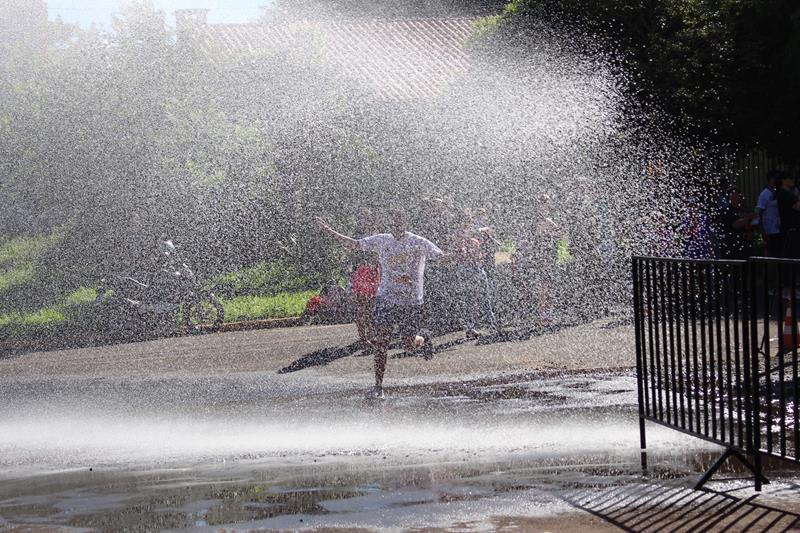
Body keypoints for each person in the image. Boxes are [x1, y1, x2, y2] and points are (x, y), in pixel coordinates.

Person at [316, 210, 444, 399]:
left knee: (408, 344)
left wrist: (456, 255)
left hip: (411, 301)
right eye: (393, 223)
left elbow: (440, 256)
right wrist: (329, 231)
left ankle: (424, 338)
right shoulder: (383, 240)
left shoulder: (419, 242)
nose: (396, 226)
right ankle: (378, 385)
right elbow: (354, 244)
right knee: (381, 342)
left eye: (400, 222)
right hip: (386, 299)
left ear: (407, 223)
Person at [716, 187, 756, 260]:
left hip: (746, 244)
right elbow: (735, 225)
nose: (736, 197)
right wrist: (747, 218)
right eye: (733, 196)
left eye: (737, 195)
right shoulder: (727, 211)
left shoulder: (744, 209)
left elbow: (751, 224)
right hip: (732, 245)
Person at [754, 171, 782, 256]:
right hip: (769, 231)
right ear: (770, 179)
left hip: (777, 229)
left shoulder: (777, 192)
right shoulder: (764, 194)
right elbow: (759, 213)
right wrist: (762, 232)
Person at [776, 173, 800, 258]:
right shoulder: (785, 194)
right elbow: (798, 207)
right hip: (790, 229)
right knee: (792, 255)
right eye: (790, 178)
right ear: (783, 180)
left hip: (791, 228)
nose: (792, 180)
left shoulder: (788, 193)